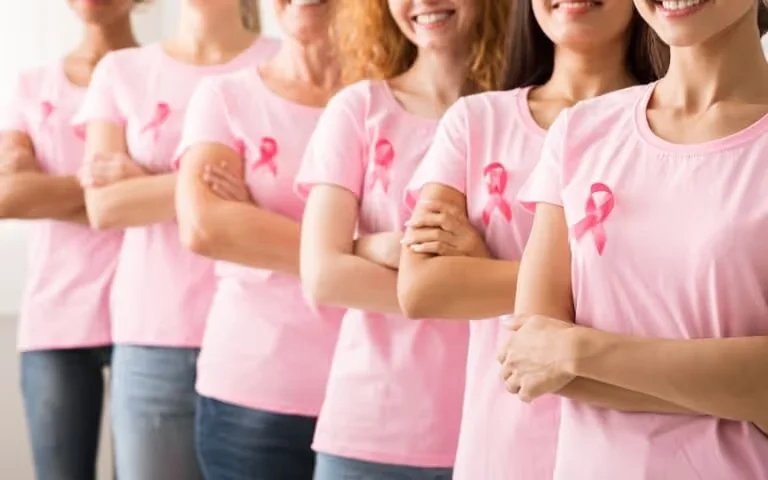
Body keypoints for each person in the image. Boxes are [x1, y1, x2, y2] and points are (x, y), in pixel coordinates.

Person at [396, 0, 667, 478]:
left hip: (636, 449)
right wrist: (611, 283)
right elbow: (422, 289)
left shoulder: (675, 133)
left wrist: (485, 270)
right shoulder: (476, 120)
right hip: (501, 451)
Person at [508, 0, 768, 478]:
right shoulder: (580, 131)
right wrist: (735, 386)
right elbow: (530, 356)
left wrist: (578, 352)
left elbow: (556, 354)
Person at [295, 0, 510, 477]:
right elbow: (323, 277)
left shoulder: (521, 116)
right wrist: (474, 283)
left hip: (497, 431)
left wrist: (366, 249)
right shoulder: (358, 109)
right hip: (369, 432)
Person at [72, 1, 278, 478]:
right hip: (152, 343)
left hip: (265, 343)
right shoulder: (121, 71)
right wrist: (223, 182)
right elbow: (104, 208)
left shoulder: (285, 63)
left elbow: (308, 200)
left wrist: (145, 180)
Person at [173, 1, 342, 478]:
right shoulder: (226, 97)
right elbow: (206, 227)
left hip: (378, 400)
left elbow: (416, 251)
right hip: (252, 394)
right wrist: (362, 246)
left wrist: (255, 221)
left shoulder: (388, 100)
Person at [0, 1, 144, 478]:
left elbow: (189, 198)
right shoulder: (31, 84)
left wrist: (49, 189)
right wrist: (128, 189)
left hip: (148, 322)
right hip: (54, 320)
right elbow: (7, 197)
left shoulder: (159, 78)